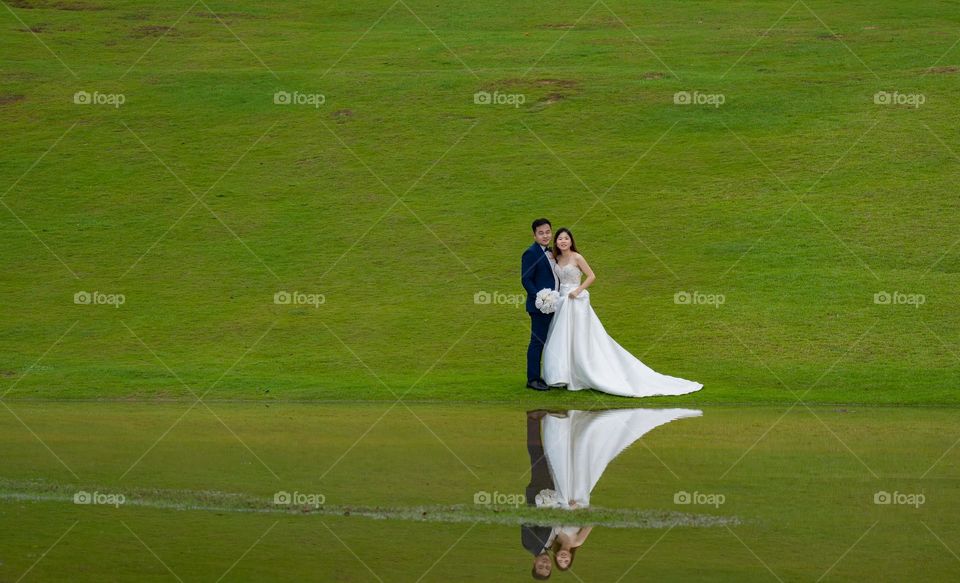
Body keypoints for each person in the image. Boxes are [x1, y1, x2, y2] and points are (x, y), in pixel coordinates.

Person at [542, 228, 703, 397]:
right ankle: (563, 374)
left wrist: (578, 290)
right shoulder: (557, 258)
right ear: (557, 242)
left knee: (580, 336)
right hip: (562, 301)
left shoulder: (577, 257)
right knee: (562, 336)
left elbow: (591, 276)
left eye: (566, 238)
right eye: (560, 239)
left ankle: (583, 372)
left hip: (576, 299)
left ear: (571, 241)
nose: (563, 241)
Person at [520, 218, 559, 391]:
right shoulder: (531, 253)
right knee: (537, 341)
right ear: (534, 235)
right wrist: (540, 298)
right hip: (540, 306)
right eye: (541, 233)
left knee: (553, 340)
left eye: (548, 232)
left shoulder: (552, 252)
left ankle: (552, 376)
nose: (545, 235)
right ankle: (533, 379)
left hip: (556, 303)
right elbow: (526, 279)